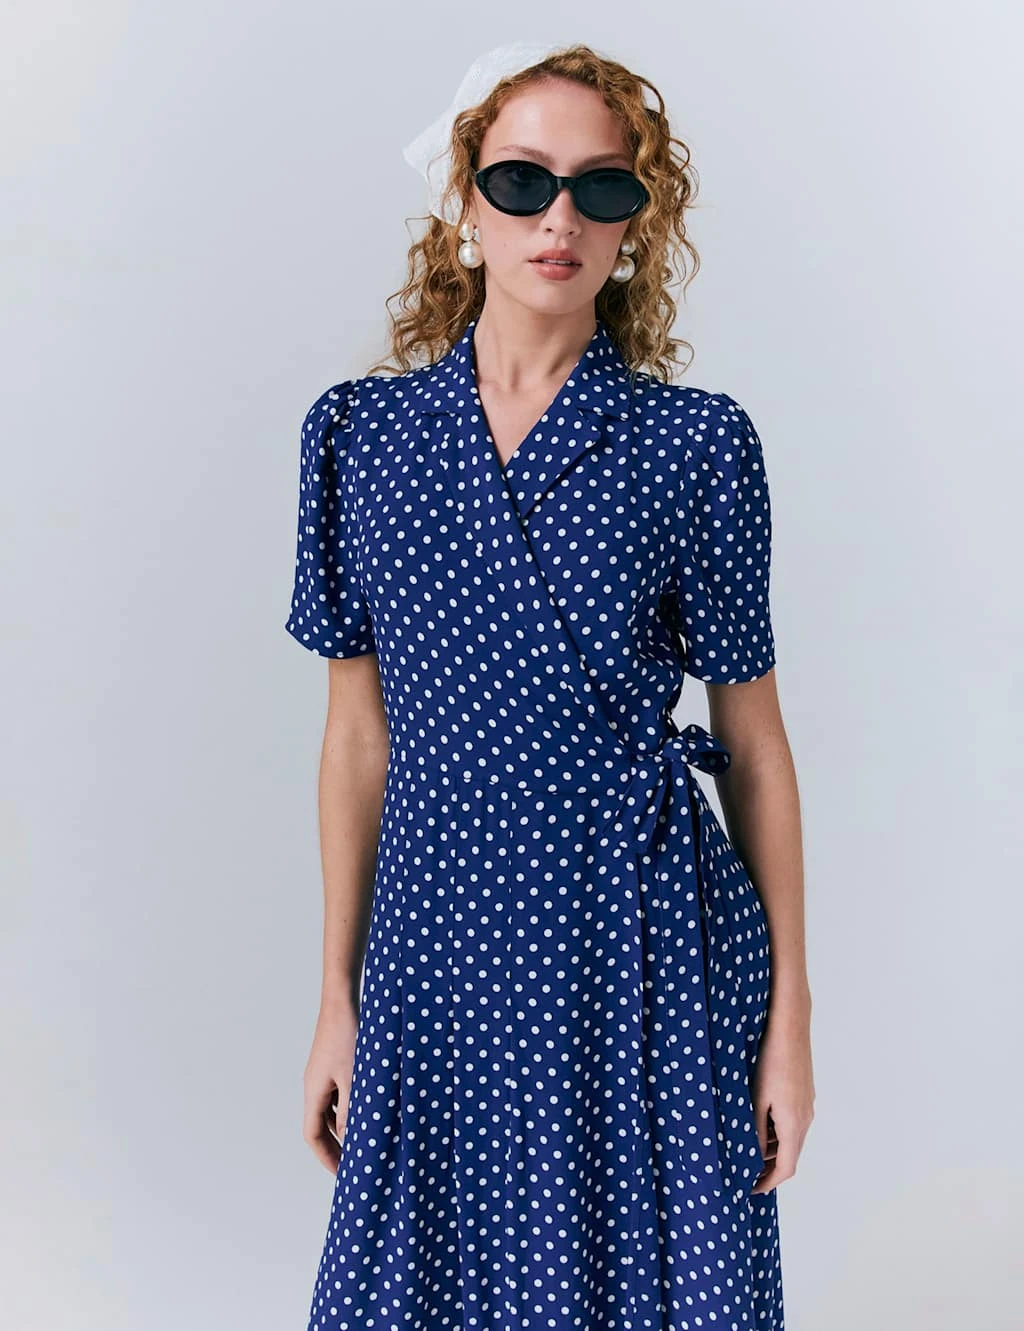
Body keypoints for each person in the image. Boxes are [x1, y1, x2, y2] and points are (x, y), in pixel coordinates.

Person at [284, 40, 814, 1331]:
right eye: (522, 181)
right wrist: (337, 999)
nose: (559, 218)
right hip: (440, 940)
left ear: (637, 224)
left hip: (641, 937)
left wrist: (790, 1021)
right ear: (463, 205)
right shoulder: (356, 437)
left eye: (602, 187)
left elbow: (754, 742)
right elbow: (357, 740)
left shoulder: (697, 444)